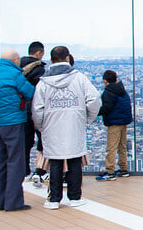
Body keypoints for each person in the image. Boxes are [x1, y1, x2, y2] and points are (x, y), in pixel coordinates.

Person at [32, 46, 101, 209]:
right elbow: (95, 99)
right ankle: (75, 196)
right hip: (74, 124)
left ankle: (54, 199)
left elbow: (37, 109)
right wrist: (86, 118)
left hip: (51, 126)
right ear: (68, 58)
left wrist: (42, 126)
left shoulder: (43, 82)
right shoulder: (79, 78)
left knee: (55, 162)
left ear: (51, 60)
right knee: (75, 159)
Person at [0, 49, 36, 211]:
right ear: (15, 60)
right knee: (15, 162)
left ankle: (0, 202)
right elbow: (30, 93)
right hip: (13, 123)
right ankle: (13, 202)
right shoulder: (15, 75)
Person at [20, 41, 47, 186]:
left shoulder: (17, 69)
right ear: (38, 53)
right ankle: (41, 170)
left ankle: (24, 171)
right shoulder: (40, 70)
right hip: (37, 108)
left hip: (22, 108)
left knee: (25, 141)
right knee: (43, 140)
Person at [97, 70, 133, 181]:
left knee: (111, 148)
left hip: (114, 122)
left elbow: (106, 108)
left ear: (105, 81)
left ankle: (110, 171)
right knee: (122, 147)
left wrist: (96, 112)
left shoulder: (108, 92)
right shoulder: (122, 91)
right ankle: (123, 169)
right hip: (124, 122)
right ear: (116, 79)